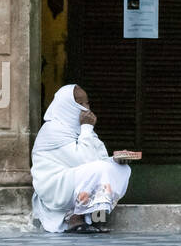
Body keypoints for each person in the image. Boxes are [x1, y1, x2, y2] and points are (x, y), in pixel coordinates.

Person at [31, 84, 131, 233]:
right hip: (55, 186)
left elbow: (99, 159)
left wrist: (114, 160)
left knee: (121, 169)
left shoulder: (80, 128)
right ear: (66, 105)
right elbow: (86, 161)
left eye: (87, 103)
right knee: (99, 170)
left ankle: (96, 217)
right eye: (79, 103)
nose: (85, 108)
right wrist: (87, 129)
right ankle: (75, 219)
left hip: (75, 178)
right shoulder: (52, 130)